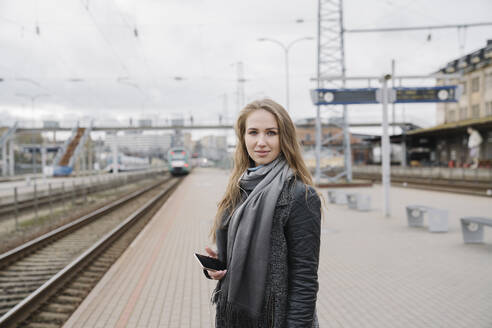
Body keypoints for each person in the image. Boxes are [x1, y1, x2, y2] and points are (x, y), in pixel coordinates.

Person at [203, 99, 321, 327]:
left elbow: (304, 281)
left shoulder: (300, 196)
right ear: (243, 137)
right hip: (234, 318)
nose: (261, 142)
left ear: (284, 137)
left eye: (271, 133)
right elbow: (239, 259)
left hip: (275, 320)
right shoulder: (236, 191)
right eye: (253, 132)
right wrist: (219, 266)